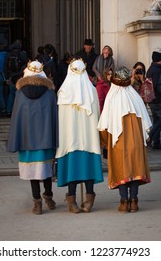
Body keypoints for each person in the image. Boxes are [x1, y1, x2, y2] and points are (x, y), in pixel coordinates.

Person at [97, 67, 152, 213]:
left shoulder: (112, 97)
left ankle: (124, 201)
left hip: (118, 142)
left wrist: (104, 142)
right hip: (136, 141)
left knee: (121, 169)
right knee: (135, 168)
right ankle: (134, 201)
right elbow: (146, 122)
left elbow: (104, 124)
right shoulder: (134, 97)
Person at [7, 61, 58, 215]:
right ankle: (48, 197)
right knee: (46, 169)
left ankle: (37, 203)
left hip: (27, 139)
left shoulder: (20, 93)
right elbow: (53, 116)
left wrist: (16, 137)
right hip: (46, 138)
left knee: (32, 171)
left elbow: (17, 117)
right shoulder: (49, 92)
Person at [55, 57, 104, 214]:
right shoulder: (87, 91)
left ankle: (83, 200)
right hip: (73, 139)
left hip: (83, 138)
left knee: (78, 170)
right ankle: (76, 200)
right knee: (80, 169)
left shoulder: (65, 92)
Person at [4, 39, 28, 116]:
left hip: (11, 76)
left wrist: (7, 77)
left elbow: (5, 67)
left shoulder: (8, 54)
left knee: (11, 94)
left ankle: (9, 110)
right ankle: (20, 111)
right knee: (20, 94)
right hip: (20, 76)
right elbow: (27, 64)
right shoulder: (22, 54)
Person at [146, 50, 161, 149]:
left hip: (152, 99)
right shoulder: (157, 70)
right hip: (157, 100)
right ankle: (149, 137)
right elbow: (158, 86)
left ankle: (156, 142)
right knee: (159, 121)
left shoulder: (151, 68)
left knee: (156, 120)